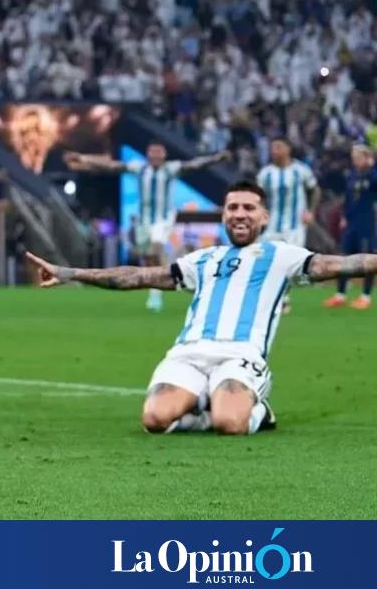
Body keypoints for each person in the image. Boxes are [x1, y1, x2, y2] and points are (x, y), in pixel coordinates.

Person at [26, 180, 377, 435]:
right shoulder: (204, 258)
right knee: (154, 420)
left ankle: (256, 410)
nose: (240, 214)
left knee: (231, 424)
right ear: (223, 214)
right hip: (189, 353)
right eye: (233, 208)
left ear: (264, 217)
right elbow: (138, 276)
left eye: (249, 208)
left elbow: (342, 264)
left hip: (241, 353)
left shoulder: (282, 255)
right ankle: (210, 399)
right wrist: (70, 272)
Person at [64, 142, 230, 312]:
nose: (156, 155)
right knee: (148, 257)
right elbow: (112, 166)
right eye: (153, 152)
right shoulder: (140, 168)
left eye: (159, 152)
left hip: (163, 220)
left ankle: (162, 289)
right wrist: (82, 157)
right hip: (144, 222)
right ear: (148, 154)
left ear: (164, 154)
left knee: (156, 246)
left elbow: (194, 165)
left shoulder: (171, 169)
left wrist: (216, 158)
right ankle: (165, 283)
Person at [256, 138, 319, 312]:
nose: (274, 150)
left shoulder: (300, 170)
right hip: (272, 226)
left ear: (288, 149)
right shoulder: (265, 173)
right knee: (267, 260)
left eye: (278, 147)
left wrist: (311, 211)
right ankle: (274, 296)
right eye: (272, 147)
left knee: (290, 262)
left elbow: (315, 189)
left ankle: (283, 298)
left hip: (295, 226)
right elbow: (258, 197)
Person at [324, 145, 377, 309]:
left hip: (367, 223)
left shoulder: (372, 176)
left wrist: (372, 167)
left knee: (366, 259)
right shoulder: (352, 176)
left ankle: (365, 297)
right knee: (346, 257)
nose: (355, 160)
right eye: (354, 157)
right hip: (351, 222)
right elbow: (347, 198)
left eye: (358, 157)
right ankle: (340, 295)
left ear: (367, 158)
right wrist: (344, 217)